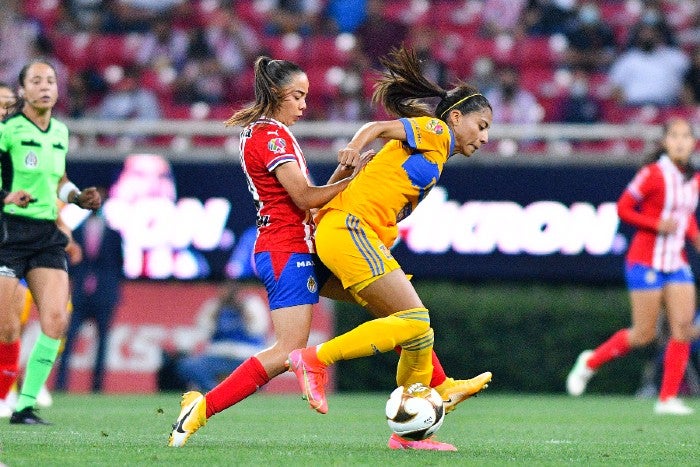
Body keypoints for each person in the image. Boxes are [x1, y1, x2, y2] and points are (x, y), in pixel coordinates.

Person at [168, 53, 491, 450]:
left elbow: (312, 198)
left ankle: (431, 397)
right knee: (298, 348)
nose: (305, 105)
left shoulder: (272, 135)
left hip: (304, 243)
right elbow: (304, 197)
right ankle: (313, 367)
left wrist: (348, 177)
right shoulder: (269, 135)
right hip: (289, 246)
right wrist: (354, 174)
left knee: (404, 319)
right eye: (298, 96)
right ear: (275, 93)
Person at [286, 46, 493, 451]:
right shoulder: (435, 133)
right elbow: (375, 127)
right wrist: (351, 147)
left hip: (349, 232)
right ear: (455, 117)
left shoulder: (436, 152)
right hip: (349, 230)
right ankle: (314, 359)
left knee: (416, 333)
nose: (484, 137)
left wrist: (342, 177)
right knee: (415, 318)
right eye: (481, 125)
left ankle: (410, 431)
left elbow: (374, 167)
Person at [567, 118, 700, 415]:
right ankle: (590, 362)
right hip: (645, 259)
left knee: (683, 328)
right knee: (644, 334)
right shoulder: (652, 174)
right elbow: (624, 207)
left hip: (676, 261)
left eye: (685, 136)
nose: (680, 142)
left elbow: (686, 216)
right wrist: (655, 224)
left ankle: (667, 399)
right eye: (674, 136)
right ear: (665, 142)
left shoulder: (694, 179)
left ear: (693, 143)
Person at [0, 59, 101, 425]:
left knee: (56, 321)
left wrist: (76, 197)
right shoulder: (7, 130)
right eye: (36, 81)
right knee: (6, 327)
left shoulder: (59, 131)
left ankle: (24, 406)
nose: (45, 87)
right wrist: (6, 197)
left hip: (45, 235)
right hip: (8, 232)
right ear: (23, 91)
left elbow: (59, 179)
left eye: (51, 81)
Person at [54, 187, 123, 393]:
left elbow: (119, 265)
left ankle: (97, 387)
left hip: (104, 296)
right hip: (81, 295)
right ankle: (61, 384)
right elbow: (70, 262)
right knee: (68, 339)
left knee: (102, 343)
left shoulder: (114, 234)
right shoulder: (77, 231)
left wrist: (112, 291)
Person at [174, 281, 270, 392]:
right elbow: (203, 331)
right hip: (218, 355)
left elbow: (258, 329)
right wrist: (217, 311)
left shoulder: (251, 303)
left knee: (262, 369)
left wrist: (243, 310)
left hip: (245, 355)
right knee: (188, 365)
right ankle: (218, 392)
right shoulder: (214, 305)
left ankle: (242, 392)